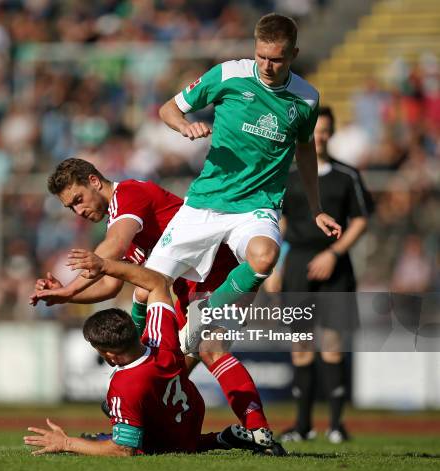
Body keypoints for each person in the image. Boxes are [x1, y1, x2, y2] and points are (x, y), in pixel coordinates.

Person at [30, 158, 271, 432]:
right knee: (170, 367)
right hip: (191, 286)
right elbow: (110, 285)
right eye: (70, 207)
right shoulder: (126, 224)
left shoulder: (129, 195)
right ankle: (141, 427)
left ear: (94, 182)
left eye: (78, 199)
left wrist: (69, 287)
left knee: (207, 350)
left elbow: (113, 248)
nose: (78, 210)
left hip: (217, 274)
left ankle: (257, 429)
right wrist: (65, 297)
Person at [144, 13, 342, 318]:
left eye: (276, 59)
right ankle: (135, 359)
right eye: (261, 56)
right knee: (147, 289)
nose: (266, 66)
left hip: (257, 207)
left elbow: (305, 150)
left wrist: (316, 208)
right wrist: (185, 126)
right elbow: (168, 109)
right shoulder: (228, 74)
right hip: (207, 201)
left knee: (264, 258)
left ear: (294, 54)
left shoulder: (306, 99)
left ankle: (205, 314)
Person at [24, 249, 285, 456]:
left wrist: (68, 443)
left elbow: (123, 449)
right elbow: (157, 284)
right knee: (194, 345)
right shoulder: (162, 339)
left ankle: (230, 435)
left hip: (169, 435)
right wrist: (106, 267)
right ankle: (225, 437)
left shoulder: (125, 384)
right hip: (190, 415)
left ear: (110, 355)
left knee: (128, 429)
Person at [273, 106, 373, 443]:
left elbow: (360, 219)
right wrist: (276, 265)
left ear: (333, 133)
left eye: (327, 130)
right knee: (300, 345)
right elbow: (280, 223)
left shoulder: (347, 175)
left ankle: (336, 425)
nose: (321, 137)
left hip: (335, 267)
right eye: (316, 131)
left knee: (332, 344)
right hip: (298, 263)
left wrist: (333, 253)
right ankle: (302, 426)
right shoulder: (288, 175)